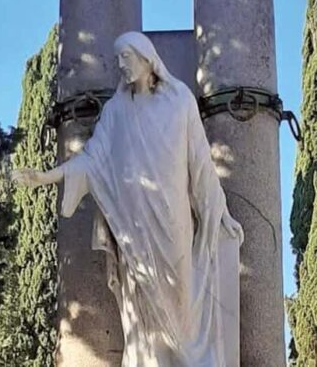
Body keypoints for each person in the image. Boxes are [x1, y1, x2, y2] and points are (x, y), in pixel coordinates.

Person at [13, 31, 243, 367]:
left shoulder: (180, 101)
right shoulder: (116, 111)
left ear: (147, 58)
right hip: (132, 226)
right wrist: (47, 176)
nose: (121, 64)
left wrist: (218, 210)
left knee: (182, 298)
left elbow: (201, 163)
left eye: (127, 57)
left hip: (172, 219)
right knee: (140, 304)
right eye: (117, 58)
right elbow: (92, 160)